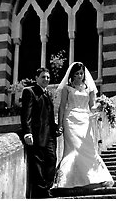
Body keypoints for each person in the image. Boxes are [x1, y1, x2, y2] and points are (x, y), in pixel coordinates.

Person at [53, 62, 114, 190]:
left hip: (85, 120)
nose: (79, 76)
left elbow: (92, 106)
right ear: (72, 75)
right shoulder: (67, 88)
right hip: (70, 119)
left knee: (88, 148)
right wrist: (60, 124)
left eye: (81, 73)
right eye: (76, 74)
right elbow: (62, 106)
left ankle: (92, 178)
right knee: (73, 149)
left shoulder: (89, 88)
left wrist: (102, 105)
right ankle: (65, 181)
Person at [20, 68, 57, 198]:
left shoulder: (49, 94)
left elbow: (50, 116)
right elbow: (26, 114)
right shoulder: (29, 92)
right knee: (38, 163)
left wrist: (56, 128)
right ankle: (41, 192)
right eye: (43, 77)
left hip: (50, 135)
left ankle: (47, 186)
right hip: (36, 134)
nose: (46, 79)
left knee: (52, 160)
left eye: (48, 77)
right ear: (36, 78)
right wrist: (27, 133)